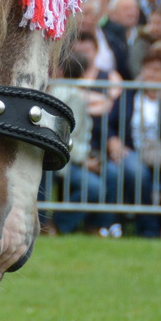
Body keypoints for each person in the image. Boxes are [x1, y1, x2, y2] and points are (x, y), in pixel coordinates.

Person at [104, 46, 161, 234]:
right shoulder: (129, 94)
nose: (151, 74)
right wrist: (113, 140)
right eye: (147, 68)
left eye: (157, 70)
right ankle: (149, 228)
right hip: (131, 150)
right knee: (138, 173)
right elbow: (109, 123)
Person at [45, 46, 108, 234]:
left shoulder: (59, 91)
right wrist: (85, 161)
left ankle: (95, 226)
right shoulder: (73, 96)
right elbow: (66, 136)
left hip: (63, 155)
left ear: (61, 70)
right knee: (95, 188)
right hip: (66, 158)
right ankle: (58, 226)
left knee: (109, 176)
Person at [102, 0, 141, 79]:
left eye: (134, 9)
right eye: (125, 9)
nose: (131, 13)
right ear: (112, 14)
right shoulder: (105, 37)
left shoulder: (143, 35)